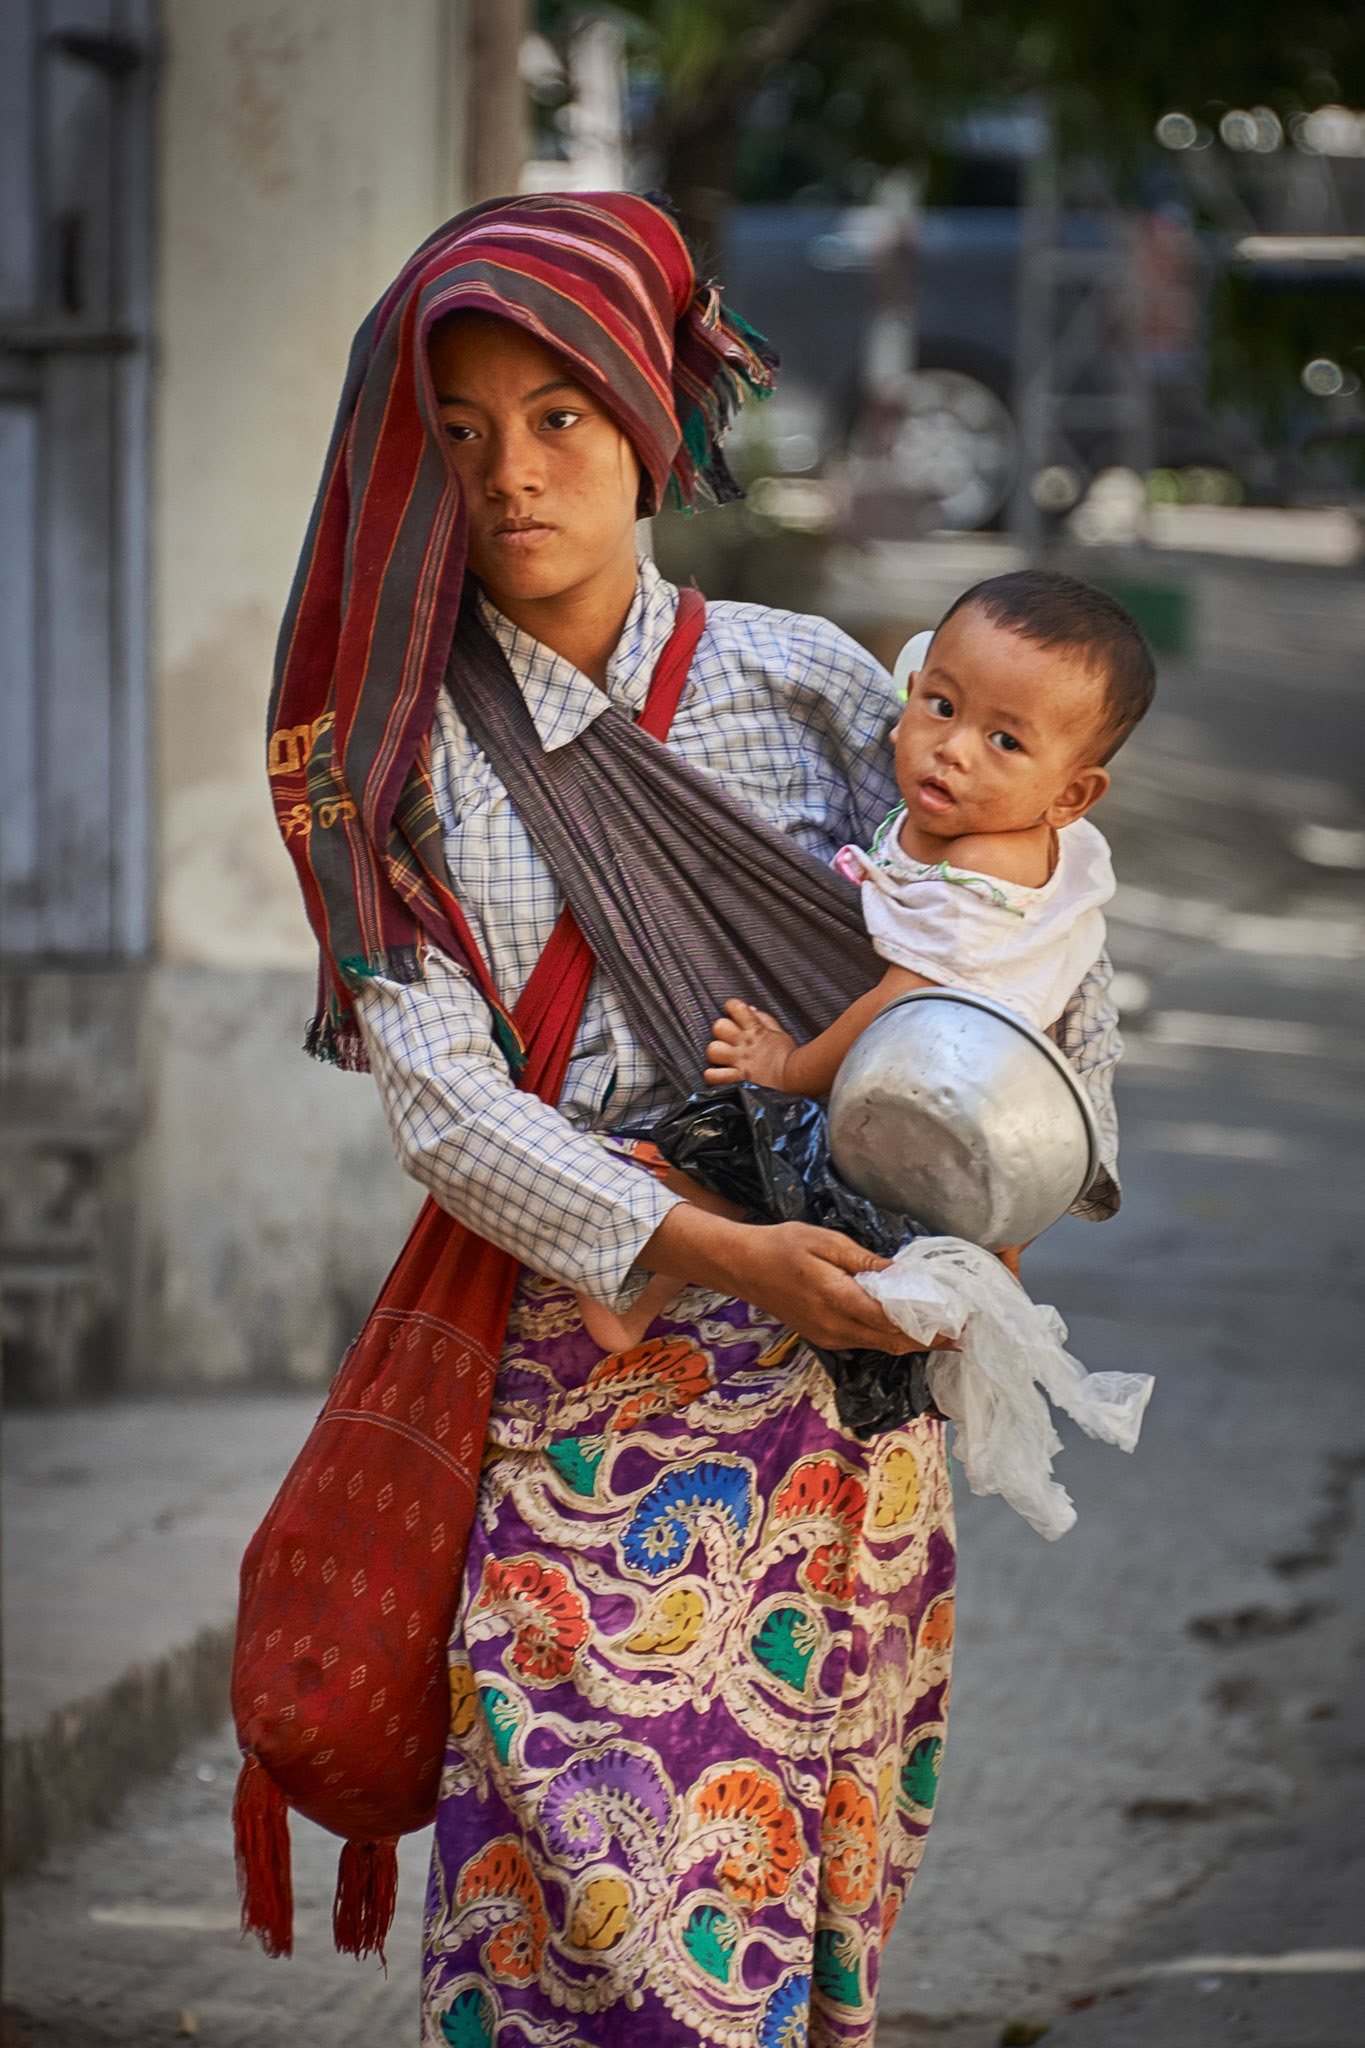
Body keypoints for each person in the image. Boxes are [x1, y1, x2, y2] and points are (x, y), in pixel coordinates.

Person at [269, 192, 1122, 2047]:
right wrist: (724, 1248)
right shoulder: (394, 764)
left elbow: (1034, 961)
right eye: (466, 431)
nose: (514, 473)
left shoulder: (812, 682)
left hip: (840, 1413)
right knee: (593, 1892)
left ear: (650, 416)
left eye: (561, 416)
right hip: (594, 1383)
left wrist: (979, 1215)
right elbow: (442, 1103)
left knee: (806, 1900)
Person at [584, 571, 1150, 1355]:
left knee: (732, 1154)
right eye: (941, 707)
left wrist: (785, 1065)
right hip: (992, 1096)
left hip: (940, 1090)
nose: (951, 749)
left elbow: (896, 1004)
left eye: (1004, 741)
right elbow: (944, 671)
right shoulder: (1018, 815)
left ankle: (634, 1309)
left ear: (1071, 794)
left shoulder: (979, 878)